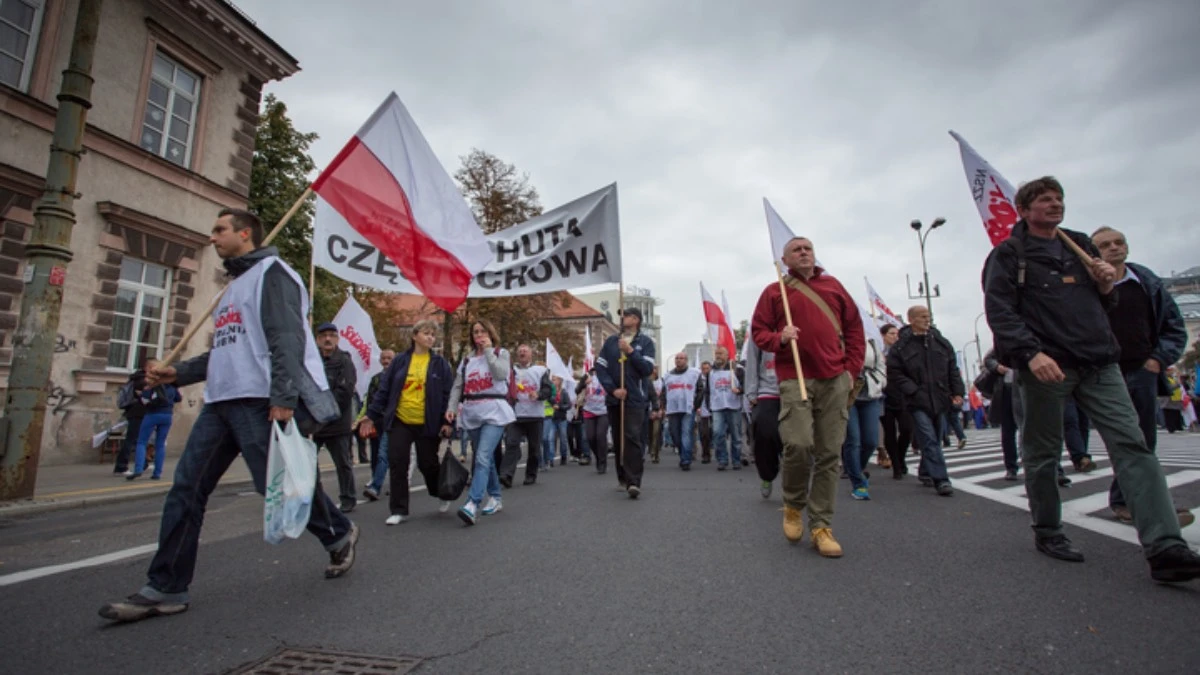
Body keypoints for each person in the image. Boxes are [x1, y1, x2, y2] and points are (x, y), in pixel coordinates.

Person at [99, 208, 356, 623]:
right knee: (186, 489)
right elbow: (225, 350)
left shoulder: (274, 274)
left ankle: (338, 531)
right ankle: (166, 587)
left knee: (276, 487)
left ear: (245, 233)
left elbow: (286, 340)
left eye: (220, 230)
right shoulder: (234, 287)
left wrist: (284, 396)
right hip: (221, 403)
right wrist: (177, 373)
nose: (213, 236)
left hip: (259, 400)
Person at [983, 176, 1199, 581]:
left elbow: (1104, 303)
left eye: (1059, 199)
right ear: (1025, 210)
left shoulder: (1079, 244)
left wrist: (1104, 285)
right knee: (1043, 453)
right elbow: (1000, 311)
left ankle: (1166, 547)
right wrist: (1031, 355)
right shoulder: (1010, 255)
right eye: (1045, 200)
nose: (1055, 205)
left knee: (1133, 445)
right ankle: (1048, 529)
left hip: (1100, 363)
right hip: (1048, 367)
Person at [751, 236, 865, 558]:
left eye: (808, 249)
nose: (804, 253)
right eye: (796, 250)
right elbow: (758, 332)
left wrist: (850, 371)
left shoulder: (834, 286)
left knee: (829, 453)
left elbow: (855, 330)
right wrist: (779, 338)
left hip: (834, 380)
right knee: (798, 444)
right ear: (785, 260)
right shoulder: (775, 292)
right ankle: (793, 504)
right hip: (795, 378)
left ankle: (821, 526)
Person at [359, 320, 453, 525]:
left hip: (427, 422)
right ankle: (399, 509)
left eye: (433, 335)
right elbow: (384, 390)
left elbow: (448, 394)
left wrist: (448, 422)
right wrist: (371, 415)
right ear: (414, 336)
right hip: (401, 420)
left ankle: (440, 492)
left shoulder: (439, 364)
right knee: (398, 463)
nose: (430, 338)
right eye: (426, 333)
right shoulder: (400, 361)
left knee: (427, 463)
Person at [886, 306, 963, 497]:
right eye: (922, 317)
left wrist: (957, 392)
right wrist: (912, 390)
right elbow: (894, 372)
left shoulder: (941, 342)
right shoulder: (901, 346)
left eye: (928, 316)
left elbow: (952, 368)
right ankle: (942, 479)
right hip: (916, 401)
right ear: (911, 319)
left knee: (935, 438)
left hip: (940, 398)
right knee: (928, 438)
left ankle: (925, 471)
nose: (927, 320)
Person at [446, 320, 515, 525]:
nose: (479, 335)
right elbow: (458, 386)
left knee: (482, 456)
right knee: (485, 458)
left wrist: (488, 352)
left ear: (490, 333)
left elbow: (501, 374)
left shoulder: (501, 353)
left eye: (483, 331)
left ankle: (472, 503)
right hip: (472, 411)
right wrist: (451, 408)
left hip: (494, 410)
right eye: (475, 332)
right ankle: (495, 496)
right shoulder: (466, 360)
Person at [595, 307, 657, 498]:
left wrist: (630, 351)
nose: (622, 318)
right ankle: (622, 476)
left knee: (632, 437)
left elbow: (647, 369)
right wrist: (613, 389)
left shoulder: (646, 342)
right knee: (619, 437)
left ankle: (634, 481)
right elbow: (600, 367)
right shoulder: (611, 341)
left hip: (635, 398)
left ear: (636, 319)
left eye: (627, 316)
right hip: (615, 397)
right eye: (621, 315)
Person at [313, 322, 359, 513]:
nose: (328, 339)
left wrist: (324, 408)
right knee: (308, 465)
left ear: (337, 339)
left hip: (337, 423)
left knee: (343, 463)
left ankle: (348, 498)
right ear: (318, 339)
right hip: (314, 424)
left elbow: (345, 390)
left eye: (332, 335)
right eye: (324, 336)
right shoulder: (311, 360)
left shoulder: (344, 361)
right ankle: (315, 498)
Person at [843, 335, 886, 500]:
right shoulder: (839, 339)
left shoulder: (871, 342)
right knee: (853, 439)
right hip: (848, 396)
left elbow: (880, 365)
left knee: (871, 441)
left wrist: (880, 382)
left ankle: (857, 469)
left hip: (870, 394)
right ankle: (858, 483)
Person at [125, 360, 182, 481]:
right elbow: (178, 398)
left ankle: (138, 469)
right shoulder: (171, 385)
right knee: (160, 444)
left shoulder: (152, 384)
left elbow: (145, 401)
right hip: (167, 415)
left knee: (142, 441)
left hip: (152, 414)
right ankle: (157, 473)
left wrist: (142, 395)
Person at [502, 345, 551, 486]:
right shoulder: (511, 371)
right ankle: (506, 475)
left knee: (534, 448)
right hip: (516, 415)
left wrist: (539, 394)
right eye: (520, 351)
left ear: (531, 354)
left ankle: (531, 474)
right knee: (511, 443)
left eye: (525, 350)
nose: (522, 352)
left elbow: (548, 390)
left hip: (535, 415)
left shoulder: (540, 371)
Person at [744, 328, 782, 498]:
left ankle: (794, 484)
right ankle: (767, 474)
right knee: (766, 435)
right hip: (767, 390)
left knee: (797, 442)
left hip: (795, 390)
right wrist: (751, 391)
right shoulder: (760, 328)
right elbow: (752, 360)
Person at [357, 348, 396, 501]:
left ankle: (392, 485)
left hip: (395, 421)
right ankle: (375, 483)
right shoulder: (376, 379)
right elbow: (371, 401)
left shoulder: (400, 377)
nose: (386, 361)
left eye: (389, 358)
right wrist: (366, 417)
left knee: (389, 454)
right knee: (379, 453)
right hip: (378, 421)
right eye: (384, 358)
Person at [879, 325, 913, 479]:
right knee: (890, 431)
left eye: (897, 334)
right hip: (884, 395)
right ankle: (897, 466)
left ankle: (900, 456)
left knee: (906, 429)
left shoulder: (904, 351)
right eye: (891, 334)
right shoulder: (880, 353)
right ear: (884, 336)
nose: (895, 336)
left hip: (902, 394)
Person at [662, 352, 703, 470]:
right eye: (677, 358)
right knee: (674, 433)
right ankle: (683, 453)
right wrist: (663, 406)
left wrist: (696, 405)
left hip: (688, 409)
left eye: (681, 358)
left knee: (686, 433)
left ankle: (686, 460)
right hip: (673, 409)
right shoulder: (668, 376)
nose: (679, 360)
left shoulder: (694, 373)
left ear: (686, 360)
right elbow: (664, 392)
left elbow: (700, 389)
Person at [706, 346, 744, 471]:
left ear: (727, 355)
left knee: (736, 435)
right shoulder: (711, 372)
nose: (718, 356)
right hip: (717, 407)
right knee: (717, 433)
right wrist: (708, 405)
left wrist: (739, 390)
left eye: (721, 353)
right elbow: (708, 391)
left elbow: (745, 385)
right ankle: (722, 459)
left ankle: (736, 460)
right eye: (716, 353)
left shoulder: (737, 369)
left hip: (733, 406)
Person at [113, 362, 148, 475]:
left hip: (135, 412)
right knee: (132, 440)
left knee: (137, 439)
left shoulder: (136, 379)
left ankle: (143, 463)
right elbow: (147, 396)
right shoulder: (142, 381)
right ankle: (121, 466)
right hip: (138, 412)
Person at [576, 369, 609, 471]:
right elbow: (577, 390)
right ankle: (598, 457)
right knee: (590, 437)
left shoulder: (608, 376)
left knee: (600, 435)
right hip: (589, 411)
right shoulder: (587, 377)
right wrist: (583, 384)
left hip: (604, 411)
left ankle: (602, 462)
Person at [649, 367, 666, 463]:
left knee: (656, 432)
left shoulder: (662, 382)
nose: (654, 372)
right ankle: (648, 449)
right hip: (647, 410)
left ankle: (655, 454)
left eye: (655, 370)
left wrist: (661, 409)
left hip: (657, 410)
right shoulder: (645, 382)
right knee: (649, 433)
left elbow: (664, 397)